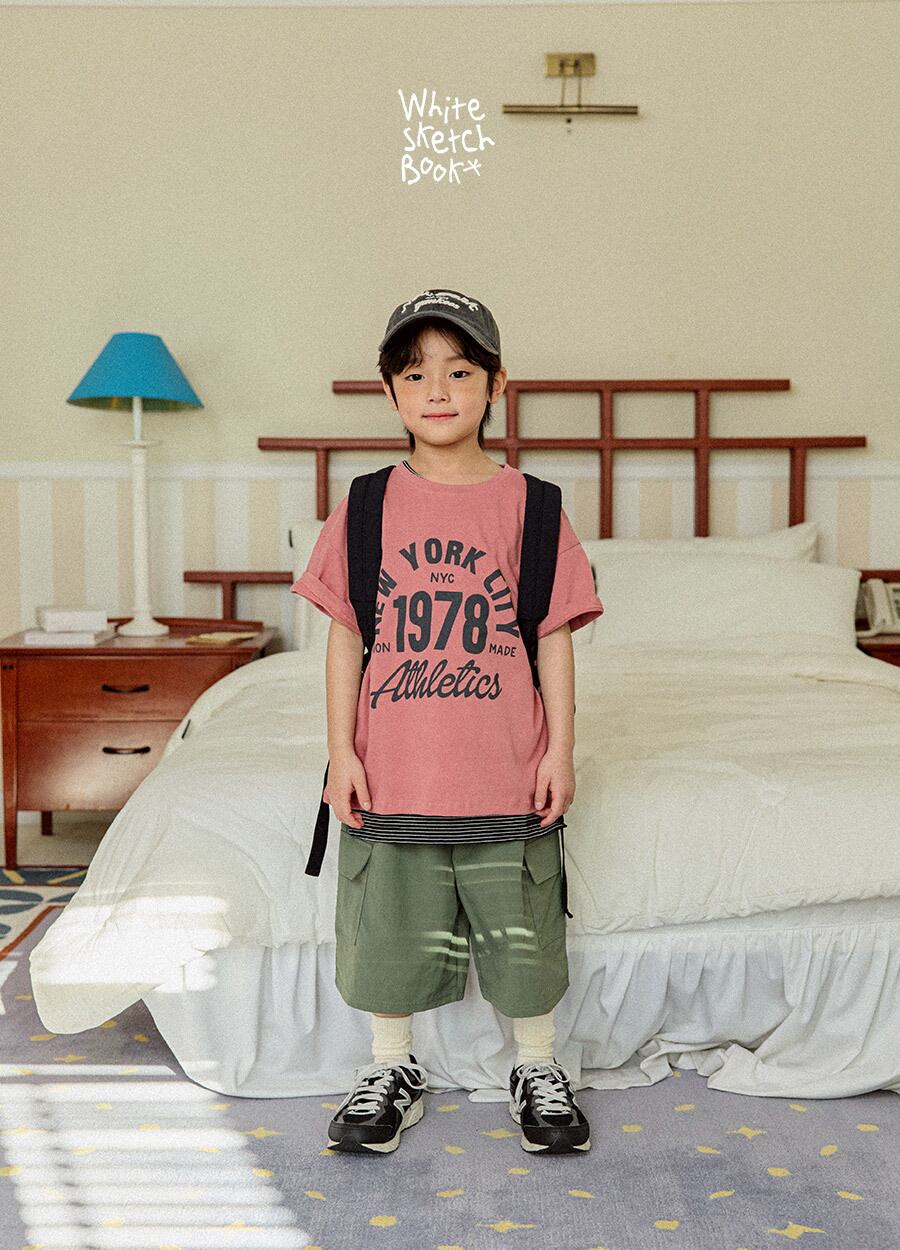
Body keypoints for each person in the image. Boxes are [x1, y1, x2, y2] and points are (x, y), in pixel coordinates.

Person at [291, 287, 604, 1156]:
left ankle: (537, 1063)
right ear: (390, 392)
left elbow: (553, 639)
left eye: (460, 372)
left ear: (497, 385)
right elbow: (346, 638)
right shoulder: (364, 506)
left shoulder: (534, 506)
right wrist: (341, 752)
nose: (437, 390)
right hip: (397, 770)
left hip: (506, 769)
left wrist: (562, 751)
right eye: (415, 373)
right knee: (389, 928)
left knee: (524, 933)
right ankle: (390, 1067)